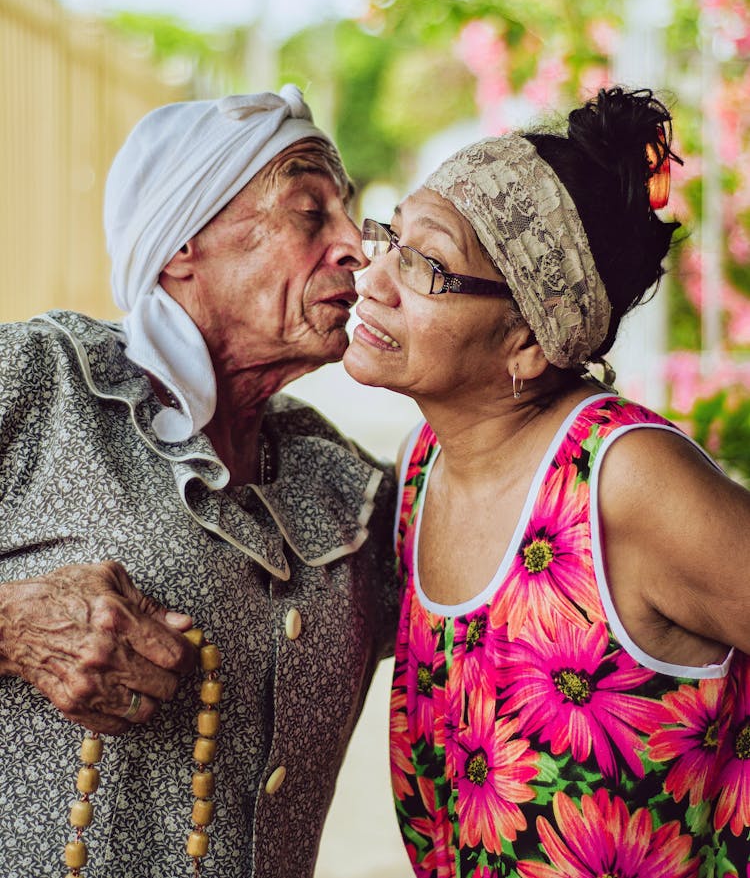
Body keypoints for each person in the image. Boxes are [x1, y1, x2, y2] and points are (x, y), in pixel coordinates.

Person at [343, 86, 750, 878]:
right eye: (391, 237)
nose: (377, 274)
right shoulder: (423, 463)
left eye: (427, 263)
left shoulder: (623, 479)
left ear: (528, 342)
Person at [0, 85, 396, 877]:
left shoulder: (346, 490)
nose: (357, 244)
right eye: (309, 211)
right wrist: (10, 622)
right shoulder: (45, 382)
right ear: (183, 245)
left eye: (350, 213)